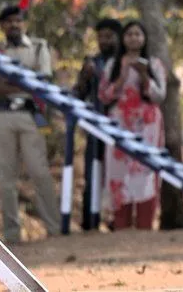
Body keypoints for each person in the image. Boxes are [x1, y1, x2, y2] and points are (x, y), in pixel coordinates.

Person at [0, 4, 60, 243]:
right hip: (2, 115)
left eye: (18, 21)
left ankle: (55, 229)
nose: (14, 25)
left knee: (40, 172)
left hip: (31, 114)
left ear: (24, 23)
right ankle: (12, 234)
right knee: (6, 177)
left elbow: (42, 82)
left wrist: (9, 83)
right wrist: (24, 83)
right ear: (2, 26)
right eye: (9, 21)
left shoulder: (38, 47)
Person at [98, 21, 167, 230]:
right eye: (129, 34)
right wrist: (122, 76)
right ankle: (120, 225)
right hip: (119, 124)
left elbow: (159, 95)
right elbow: (104, 95)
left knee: (145, 173)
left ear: (144, 38)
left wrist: (144, 74)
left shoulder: (154, 63)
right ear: (123, 38)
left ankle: (146, 225)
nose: (134, 38)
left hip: (147, 126)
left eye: (138, 34)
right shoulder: (113, 64)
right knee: (118, 173)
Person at [72, 18, 122, 230]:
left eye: (109, 36)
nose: (104, 41)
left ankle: (118, 222)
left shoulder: (124, 63)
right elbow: (78, 94)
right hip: (95, 128)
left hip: (121, 129)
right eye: (101, 37)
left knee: (118, 176)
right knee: (93, 175)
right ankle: (89, 223)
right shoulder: (92, 62)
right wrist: (85, 76)